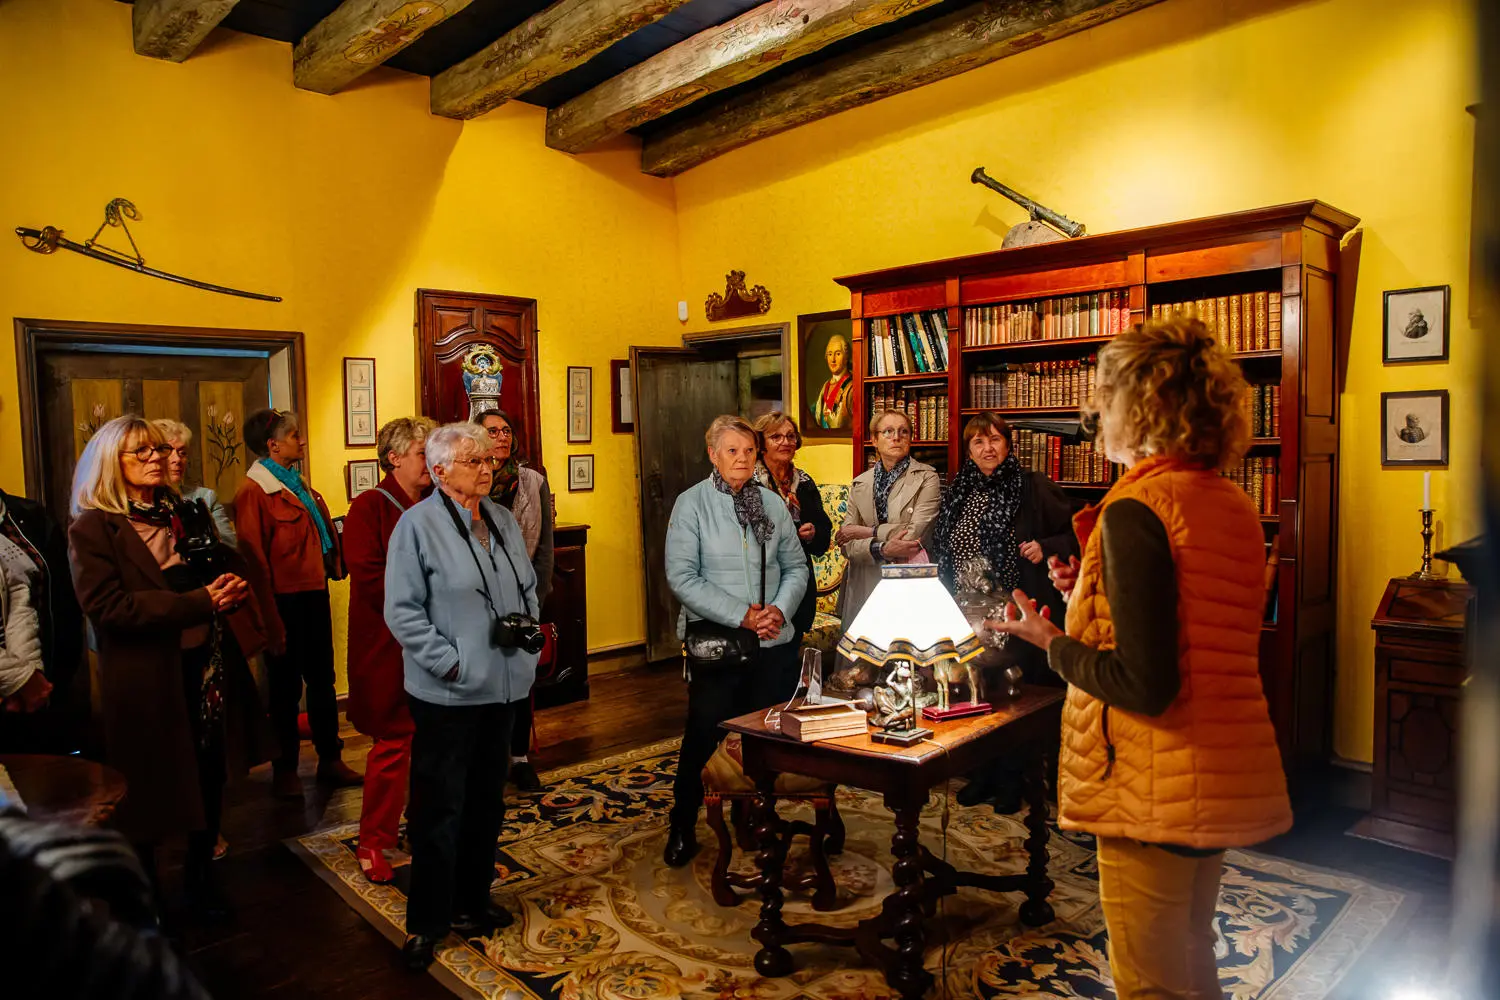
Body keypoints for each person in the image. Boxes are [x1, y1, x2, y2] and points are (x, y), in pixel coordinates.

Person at [991, 318, 1292, 1000]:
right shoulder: (1234, 503)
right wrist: (1084, 597)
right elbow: (1197, 630)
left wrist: (1050, 641)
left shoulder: (1140, 507)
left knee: (1148, 982)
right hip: (1213, 765)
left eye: (1104, 401)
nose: (1096, 419)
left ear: (1136, 406)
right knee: (1192, 953)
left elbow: (1144, 683)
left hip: (1149, 773)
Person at [68, 415, 269, 918]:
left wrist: (232, 584)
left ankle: (202, 880)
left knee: (208, 773)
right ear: (110, 463)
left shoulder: (184, 510)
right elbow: (108, 608)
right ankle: (147, 896)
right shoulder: (94, 526)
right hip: (144, 677)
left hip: (205, 665)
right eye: (141, 452)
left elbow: (223, 563)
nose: (157, 458)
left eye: (158, 450)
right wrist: (199, 601)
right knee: (148, 786)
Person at [385, 422, 540, 971]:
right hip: (448, 693)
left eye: (488, 460)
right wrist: (450, 662)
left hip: (503, 687)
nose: (486, 466)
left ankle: (474, 900)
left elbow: (527, 589)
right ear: (439, 470)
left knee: (486, 802)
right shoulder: (416, 527)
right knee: (438, 808)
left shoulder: (500, 520)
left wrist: (528, 645)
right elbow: (402, 612)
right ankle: (428, 920)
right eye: (473, 460)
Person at [663, 415, 808, 868]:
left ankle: (753, 819)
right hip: (721, 643)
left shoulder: (771, 502)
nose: (742, 458)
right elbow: (682, 576)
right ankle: (682, 824)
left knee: (764, 738)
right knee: (704, 737)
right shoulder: (692, 505)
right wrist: (743, 616)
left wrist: (778, 611)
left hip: (772, 641)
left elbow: (796, 567)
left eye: (749, 450)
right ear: (712, 454)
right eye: (731, 450)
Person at [931, 411, 1077, 809]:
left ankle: (1013, 781)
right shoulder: (959, 491)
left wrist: (1046, 545)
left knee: (1014, 695)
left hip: (1016, 611)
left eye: (995, 439)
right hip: (966, 609)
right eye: (978, 442)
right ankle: (981, 774)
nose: (987, 448)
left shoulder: (1031, 487)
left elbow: (1078, 532)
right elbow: (944, 548)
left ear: (1008, 445)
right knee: (975, 692)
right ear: (969, 450)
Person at [235, 408, 361, 798]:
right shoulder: (254, 492)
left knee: (323, 681)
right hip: (282, 602)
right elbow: (254, 562)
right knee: (285, 689)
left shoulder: (296, 483)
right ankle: (285, 769)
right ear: (272, 445)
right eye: (294, 436)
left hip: (312, 593)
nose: (301, 440)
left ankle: (330, 759)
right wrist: (268, 621)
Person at [343, 416, 436, 884]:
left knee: (431, 743)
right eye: (423, 453)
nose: (432, 463)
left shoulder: (438, 503)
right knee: (394, 742)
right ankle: (374, 841)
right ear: (394, 457)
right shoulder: (368, 507)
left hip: (432, 642)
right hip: (386, 646)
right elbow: (370, 577)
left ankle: (421, 828)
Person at [475, 408, 554, 793]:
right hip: (481, 596)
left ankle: (520, 759)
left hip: (524, 594)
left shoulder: (532, 481)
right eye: (492, 431)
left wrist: (536, 595)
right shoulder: (470, 480)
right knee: (487, 680)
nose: (502, 437)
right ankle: (488, 756)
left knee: (521, 680)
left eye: (506, 430)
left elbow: (545, 546)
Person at [835, 408, 942, 624]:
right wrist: (881, 548)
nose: (896, 437)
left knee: (903, 650)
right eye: (888, 431)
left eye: (904, 432)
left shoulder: (928, 477)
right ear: (874, 440)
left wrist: (868, 531)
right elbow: (847, 543)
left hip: (906, 579)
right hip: (864, 580)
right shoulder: (860, 483)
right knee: (864, 654)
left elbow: (912, 537)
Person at [0, 485, 84, 753]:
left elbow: (20, 592)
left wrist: (34, 676)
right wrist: (19, 678)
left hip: (38, 692)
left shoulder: (29, 514)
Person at [752, 411, 832, 640]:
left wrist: (813, 534)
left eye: (790, 436)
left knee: (789, 663)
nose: (785, 442)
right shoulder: (749, 485)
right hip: (762, 585)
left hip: (799, 587)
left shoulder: (805, 483)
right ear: (761, 444)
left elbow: (823, 539)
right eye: (776, 437)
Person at [153, 418, 237, 545]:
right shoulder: (141, 504)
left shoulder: (204, 497)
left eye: (182, 453)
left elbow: (229, 545)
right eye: (167, 451)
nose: (177, 459)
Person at [812, 333, 854, 429]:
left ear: (846, 357)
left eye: (838, 354)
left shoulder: (852, 386)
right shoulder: (825, 386)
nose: (833, 359)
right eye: (830, 354)